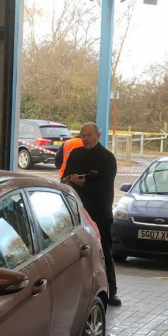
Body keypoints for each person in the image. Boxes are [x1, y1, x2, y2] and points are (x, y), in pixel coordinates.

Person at [61, 123, 120, 306]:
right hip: (78, 214)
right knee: (75, 254)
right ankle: (76, 293)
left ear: (98, 136)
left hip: (100, 213)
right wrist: (70, 181)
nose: (85, 139)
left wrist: (83, 183)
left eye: (89, 135)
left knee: (104, 252)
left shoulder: (107, 158)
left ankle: (111, 291)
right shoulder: (76, 154)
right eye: (83, 135)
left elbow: (104, 187)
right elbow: (64, 179)